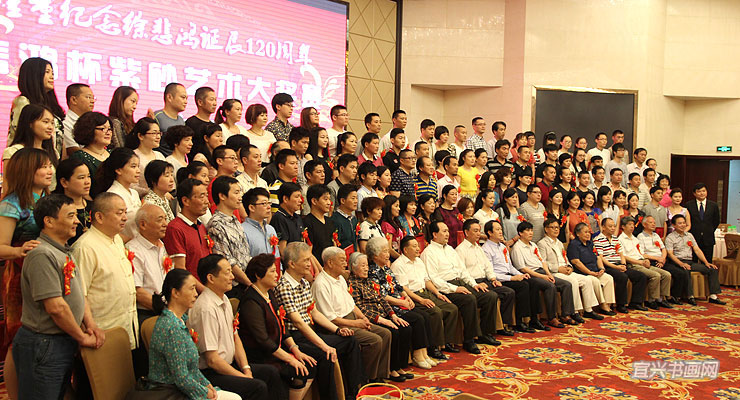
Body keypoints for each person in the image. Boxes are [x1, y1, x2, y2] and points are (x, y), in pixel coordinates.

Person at [13, 194, 104, 399]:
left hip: (60, 341)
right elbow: (56, 307)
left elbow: (79, 293)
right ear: (49, 221)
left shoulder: (64, 251)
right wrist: (81, 337)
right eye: (70, 216)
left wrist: (91, 325)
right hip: (43, 343)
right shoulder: (41, 254)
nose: (77, 221)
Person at [274, 243, 364, 398]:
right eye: (305, 260)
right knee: (325, 355)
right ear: (292, 264)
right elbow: (298, 322)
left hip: (310, 332)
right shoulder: (284, 287)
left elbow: (314, 313)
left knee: (350, 341)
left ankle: (354, 392)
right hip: (295, 337)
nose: (310, 264)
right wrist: (324, 345)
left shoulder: (303, 282)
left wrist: (337, 330)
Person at [240, 254, 336, 400]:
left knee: (309, 363)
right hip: (262, 356)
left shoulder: (269, 293)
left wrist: (296, 351)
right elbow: (263, 341)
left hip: (276, 349)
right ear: (258, 275)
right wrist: (290, 359)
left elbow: (282, 327)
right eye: (272, 271)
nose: (276, 275)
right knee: (299, 371)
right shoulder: (251, 302)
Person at [189, 255, 281, 400]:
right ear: (211, 278)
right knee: (257, 387)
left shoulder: (224, 298)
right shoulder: (205, 309)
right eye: (227, 273)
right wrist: (243, 377)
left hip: (230, 365)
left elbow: (235, 337)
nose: (232, 277)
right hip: (211, 373)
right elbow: (212, 360)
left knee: (271, 373)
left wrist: (246, 369)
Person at [147, 269, 240, 400]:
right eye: (191, 289)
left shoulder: (181, 320)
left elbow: (192, 370)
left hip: (182, 387)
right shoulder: (171, 327)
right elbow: (181, 378)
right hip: (169, 391)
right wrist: (205, 392)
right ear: (175, 293)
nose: (196, 294)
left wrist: (207, 385)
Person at [312, 247, 393, 383]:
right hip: (339, 325)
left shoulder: (340, 279)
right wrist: (356, 324)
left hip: (353, 319)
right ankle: (366, 379)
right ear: (330, 262)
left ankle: (379, 375)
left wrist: (363, 318)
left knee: (385, 334)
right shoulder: (321, 284)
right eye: (342, 260)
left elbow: (351, 304)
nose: (346, 264)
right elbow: (331, 319)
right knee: (374, 340)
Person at [72, 193, 138, 350]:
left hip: (127, 324)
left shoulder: (117, 239)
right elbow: (80, 294)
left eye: (125, 212)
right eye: (119, 213)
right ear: (99, 217)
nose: (125, 218)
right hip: (102, 331)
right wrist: (90, 325)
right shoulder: (85, 247)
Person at [421, 221, 498, 354]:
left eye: (447, 231)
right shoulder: (428, 253)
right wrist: (455, 289)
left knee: (490, 295)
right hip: (446, 288)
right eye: (444, 231)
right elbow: (434, 279)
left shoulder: (450, 249)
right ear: (434, 234)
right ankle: (469, 340)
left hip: (461, 282)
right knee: (469, 299)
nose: (447, 234)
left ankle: (485, 333)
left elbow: (463, 271)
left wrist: (474, 284)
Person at [347, 248, 419, 379]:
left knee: (405, 327)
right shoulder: (352, 284)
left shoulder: (369, 281)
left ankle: (399, 366)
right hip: (372, 318)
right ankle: (390, 370)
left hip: (383, 315)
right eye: (363, 266)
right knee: (393, 332)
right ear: (353, 267)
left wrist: (393, 315)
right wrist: (380, 319)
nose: (366, 269)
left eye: (367, 265)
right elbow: (359, 308)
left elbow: (381, 299)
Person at [391, 236, 457, 360]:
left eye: (418, 245)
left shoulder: (419, 261)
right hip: (413, 296)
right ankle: (433, 347)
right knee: (435, 312)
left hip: (426, 292)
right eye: (414, 246)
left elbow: (426, 280)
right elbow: (404, 288)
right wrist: (421, 300)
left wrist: (437, 293)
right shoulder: (398, 265)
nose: (418, 248)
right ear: (405, 250)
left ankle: (447, 342)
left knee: (451, 308)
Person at [456, 220, 516, 337]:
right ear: (466, 232)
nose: (478, 234)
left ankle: (502, 325)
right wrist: (475, 284)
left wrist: (493, 279)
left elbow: (488, 266)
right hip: (471, 283)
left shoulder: (479, 248)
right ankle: (485, 333)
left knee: (508, 292)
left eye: (479, 231)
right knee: (490, 296)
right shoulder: (460, 250)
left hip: (485, 280)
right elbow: (462, 273)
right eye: (475, 231)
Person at [538, 219, 605, 320]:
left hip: (566, 269)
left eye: (557, 228)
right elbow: (542, 262)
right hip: (554, 272)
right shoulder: (542, 244)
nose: (556, 230)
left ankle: (588, 310)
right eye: (553, 227)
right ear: (546, 229)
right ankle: (575, 311)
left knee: (587, 280)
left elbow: (566, 258)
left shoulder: (559, 243)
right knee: (573, 281)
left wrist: (570, 267)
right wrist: (558, 268)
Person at [511, 222, 575, 328]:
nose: (531, 233)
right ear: (520, 233)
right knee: (550, 286)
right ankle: (552, 318)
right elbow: (523, 268)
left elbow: (543, 261)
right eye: (527, 230)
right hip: (531, 275)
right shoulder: (517, 248)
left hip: (543, 272)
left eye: (531, 230)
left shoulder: (533, 245)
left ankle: (565, 315)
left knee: (566, 284)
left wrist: (548, 274)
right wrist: (543, 277)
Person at [480, 221, 539, 333]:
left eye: (501, 229)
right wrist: (512, 278)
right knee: (522, 286)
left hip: (508, 275)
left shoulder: (502, 246)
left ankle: (533, 319)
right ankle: (518, 321)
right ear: (489, 233)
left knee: (533, 282)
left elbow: (510, 266)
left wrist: (520, 274)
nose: (500, 232)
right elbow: (491, 272)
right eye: (497, 229)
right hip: (498, 279)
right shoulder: (486, 249)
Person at [8, 57, 65, 159]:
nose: (52, 76)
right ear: (34, 75)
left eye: (52, 73)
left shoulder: (51, 104)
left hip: (51, 159)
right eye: (47, 72)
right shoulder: (23, 101)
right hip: (30, 159)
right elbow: (22, 133)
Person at [127, 203, 171, 327]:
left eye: (165, 219)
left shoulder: (161, 245)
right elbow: (137, 291)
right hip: (149, 313)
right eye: (159, 220)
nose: (165, 224)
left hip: (168, 310)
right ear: (143, 224)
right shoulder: (133, 250)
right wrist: (166, 310)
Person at [163, 178, 211, 292]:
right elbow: (180, 269)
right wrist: (206, 292)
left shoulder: (201, 226)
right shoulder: (175, 228)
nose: (206, 201)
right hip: (191, 293)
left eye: (206, 196)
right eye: (201, 197)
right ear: (185, 201)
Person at [207, 176, 252, 298]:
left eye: (240, 192)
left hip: (245, 282)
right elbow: (227, 260)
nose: (240, 197)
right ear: (222, 196)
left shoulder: (235, 220)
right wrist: (250, 284)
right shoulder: (216, 224)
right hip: (233, 287)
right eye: (236, 193)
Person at [665, 214, 724, 305]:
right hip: (677, 262)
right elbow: (670, 254)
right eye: (680, 223)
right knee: (686, 270)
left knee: (712, 269)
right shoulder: (670, 237)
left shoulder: (689, 235)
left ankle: (713, 296)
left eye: (684, 223)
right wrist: (681, 264)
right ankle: (690, 296)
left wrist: (706, 262)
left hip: (690, 261)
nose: (683, 225)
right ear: (674, 225)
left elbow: (697, 250)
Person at [593, 217, 648, 312]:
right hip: (609, 266)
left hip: (619, 264)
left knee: (641, 276)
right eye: (610, 226)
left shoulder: (615, 239)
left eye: (614, 226)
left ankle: (636, 302)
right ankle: (621, 304)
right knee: (622, 277)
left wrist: (623, 264)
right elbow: (601, 258)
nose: (613, 228)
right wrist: (616, 267)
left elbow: (621, 253)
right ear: (603, 227)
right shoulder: (598, 240)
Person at [2, 104, 59, 193]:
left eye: (52, 123)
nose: (50, 127)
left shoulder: (51, 152)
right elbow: (7, 187)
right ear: (30, 124)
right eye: (45, 122)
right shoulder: (14, 151)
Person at [566, 222, 618, 315]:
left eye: (589, 232)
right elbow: (577, 263)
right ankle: (602, 305)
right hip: (583, 273)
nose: (588, 234)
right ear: (578, 234)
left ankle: (608, 304)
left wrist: (601, 268)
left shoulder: (590, 243)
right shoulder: (574, 245)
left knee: (608, 278)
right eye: (585, 232)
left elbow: (598, 257)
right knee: (595, 281)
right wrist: (590, 272)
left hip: (595, 271)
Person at [638, 215, 691, 305]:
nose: (653, 224)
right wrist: (658, 259)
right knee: (665, 275)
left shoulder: (656, 235)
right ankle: (657, 299)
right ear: (644, 224)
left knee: (680, 273)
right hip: (651, 261)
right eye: (651, 222)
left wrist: (662, 258)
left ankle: (671, 296)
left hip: (661, 260)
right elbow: (642, 254)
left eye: (654, 222)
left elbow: (663, 249)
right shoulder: (641, 236)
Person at [97, 147, 141, 241]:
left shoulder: (134, 193)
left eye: (138, 166)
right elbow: (110, 229)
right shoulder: (113, 195)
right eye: (133, 166)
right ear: (119, 170)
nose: (138, 170)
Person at [53, 158, 92, 244]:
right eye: (81, 178)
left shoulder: (94, 207)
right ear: (64, 182)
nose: (87, 182)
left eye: (88, 176)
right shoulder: (55, 208)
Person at [125, 117, 165, 194]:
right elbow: (131, 186)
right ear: (140, 136)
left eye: (159, 133)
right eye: (154, 133)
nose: (158, 137)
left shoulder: (160, 155)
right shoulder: (132, 156)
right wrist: (153, 193)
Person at [685, 182, 720, 264]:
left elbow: (716, 221)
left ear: (706, 192)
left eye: (703, 191)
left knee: (708, 263)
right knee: (692, 263)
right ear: (694, 193)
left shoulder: (713, 205)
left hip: (708, 238)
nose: (702, 193)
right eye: (699, 191)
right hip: (693, 238)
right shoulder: (688, 205)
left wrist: (708, 230)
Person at [269, 182, 307, 257]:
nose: (300, 200)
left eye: (300, 197)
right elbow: (282, 250)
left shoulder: (297, 217)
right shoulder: (279, 218)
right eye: (297, 197)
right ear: (285, 199)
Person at [303, 185, 337, 261]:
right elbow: (308, 252)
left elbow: (334, 245)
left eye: (329, 199)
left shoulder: (330, 222)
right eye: (325, 199)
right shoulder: (307, 222)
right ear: (314, 201)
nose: (329, 203)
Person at [153, 83, 187, 155]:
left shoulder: (181, 121)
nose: (185, 102)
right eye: (183, 97)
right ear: (169, 97)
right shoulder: (157, 117)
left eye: (186, 98)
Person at [62, 83, 95, 155]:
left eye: (93, 98)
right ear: (74, 100)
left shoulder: (91, 122)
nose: (92, 101)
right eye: (88, 97)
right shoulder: (65, 123)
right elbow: (73, 150)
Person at [329, 184, 360, 252]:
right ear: (343, 200)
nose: (356, 201)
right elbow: (335, 244)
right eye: (353, 198)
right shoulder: (335, 220)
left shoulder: (354, 219)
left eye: (356, 198)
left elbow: (356, 241)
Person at [269, 149, 300, 214]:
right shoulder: (275, 188)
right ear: (281, 166)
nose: (296, 167)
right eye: (292, 163)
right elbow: (274, 215)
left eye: (297, 163)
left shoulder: (295, 186)